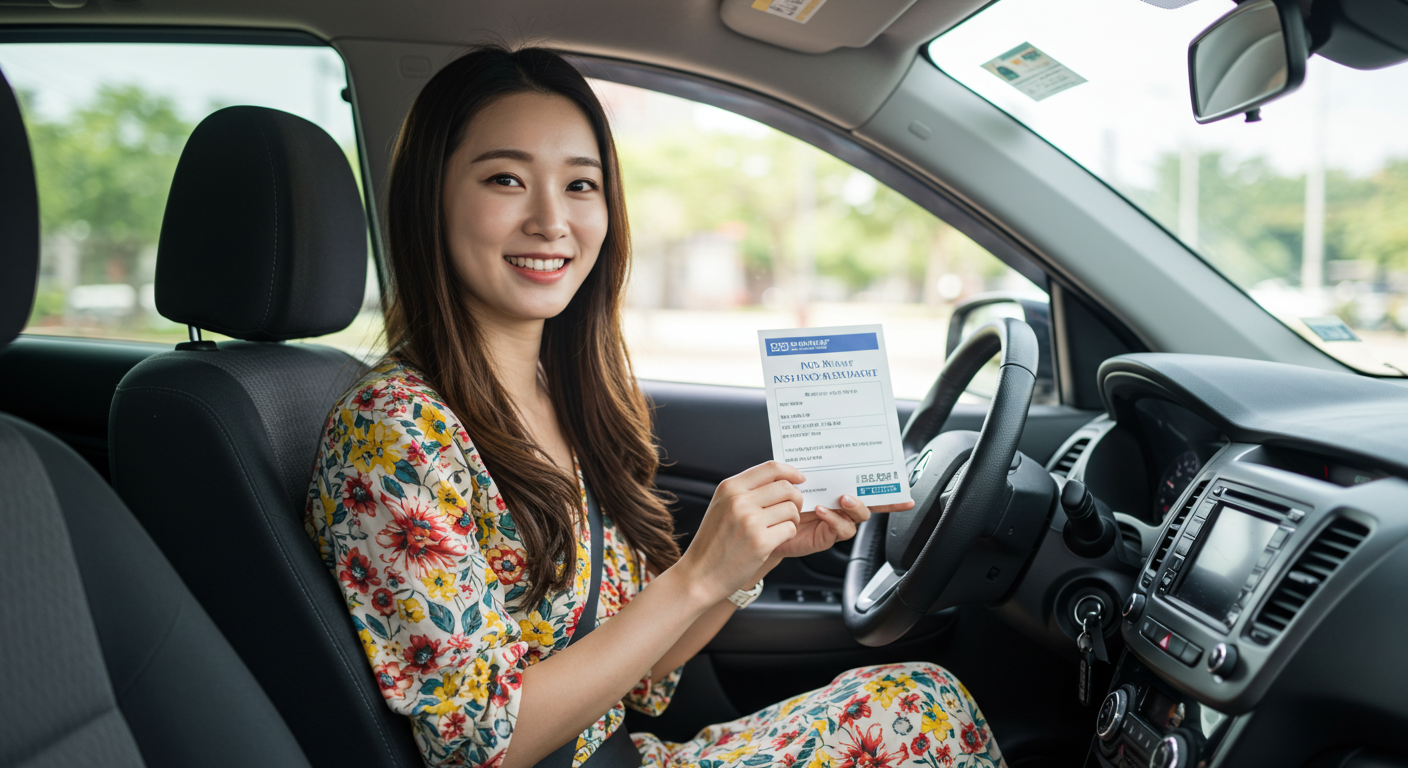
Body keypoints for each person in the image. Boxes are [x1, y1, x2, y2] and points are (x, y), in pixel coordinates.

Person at [304, 44, 1004, 768]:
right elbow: (482, 742)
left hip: (624, 753)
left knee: (921, 698)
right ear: (431, 199)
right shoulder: (394, 433)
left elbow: (640, 665)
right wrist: (698, 573)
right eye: (507, 179)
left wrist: (748, 561)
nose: (552, 220)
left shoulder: (564, 396)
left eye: (581, 186)